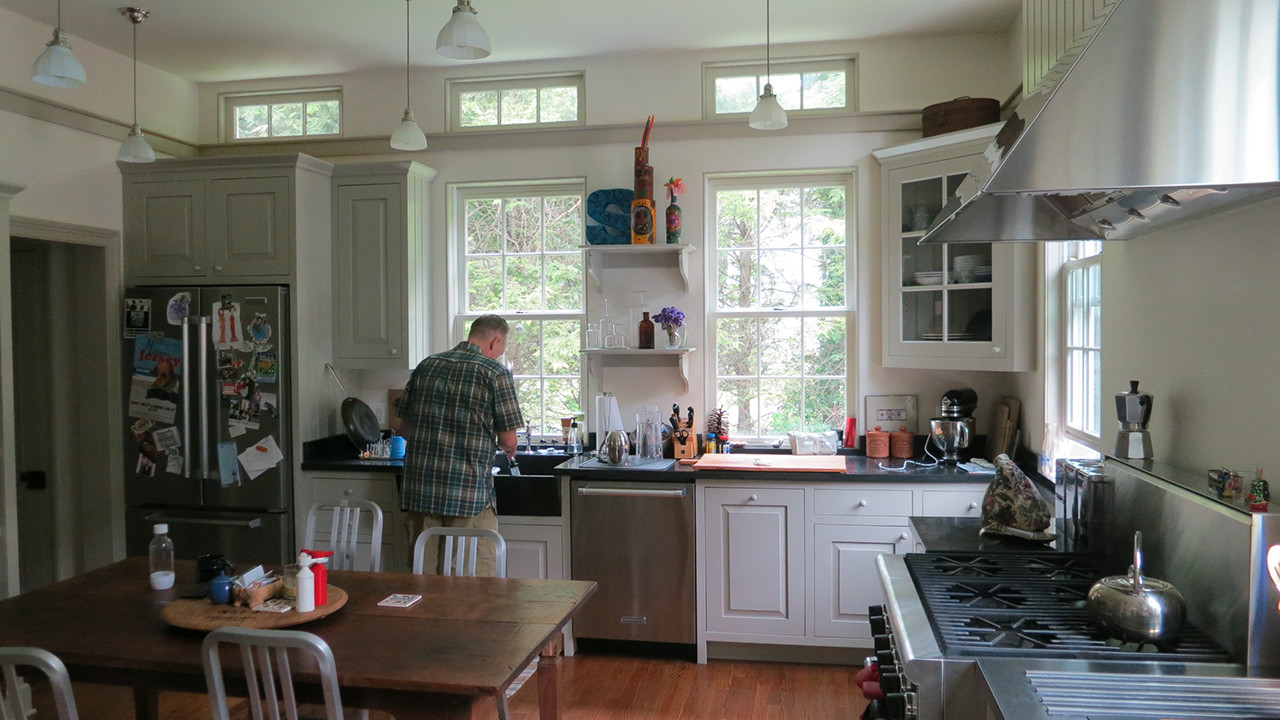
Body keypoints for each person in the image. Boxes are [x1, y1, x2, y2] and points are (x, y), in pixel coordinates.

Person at [391, 315, 522, 576]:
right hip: (468, 495)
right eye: (502, 348)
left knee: (422, 579)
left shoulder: (427, 365)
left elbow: (400, 425)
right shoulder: (494, 372)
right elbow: (508, 439)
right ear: (496, 341)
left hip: (422, 492)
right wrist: (508, 447)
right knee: (467, 585)